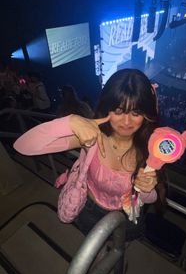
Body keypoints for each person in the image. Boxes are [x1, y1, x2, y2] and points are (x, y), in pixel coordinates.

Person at [14, 68, 166, 241]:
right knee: (94, 251)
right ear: (107, 107)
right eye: (118, 110)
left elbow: (149, 198)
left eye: (136, 113)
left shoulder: (151, 146)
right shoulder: (92, 137)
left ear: (147, 114)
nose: (126, 122)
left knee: (119, 252)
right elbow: (23, 146)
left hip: (128, 217)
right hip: (89, 209)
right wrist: (69, 122)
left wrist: (146, 188)